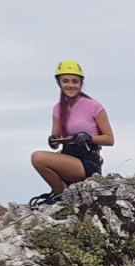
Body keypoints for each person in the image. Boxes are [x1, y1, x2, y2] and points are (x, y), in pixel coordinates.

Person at [29, 60, 113, 206]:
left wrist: (88, 137)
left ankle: (61, 196)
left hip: (87, 161)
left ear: (81, 83)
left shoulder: (94, 106)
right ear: (59, 83)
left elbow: (110, 139)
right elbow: (55, 142)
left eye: (75, 81)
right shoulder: (58, 109)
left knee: (38, 157)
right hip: (67, 156)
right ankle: (60, 194)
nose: (70, 85)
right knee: (38, 158)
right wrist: (53, 141)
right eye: (65, 81)